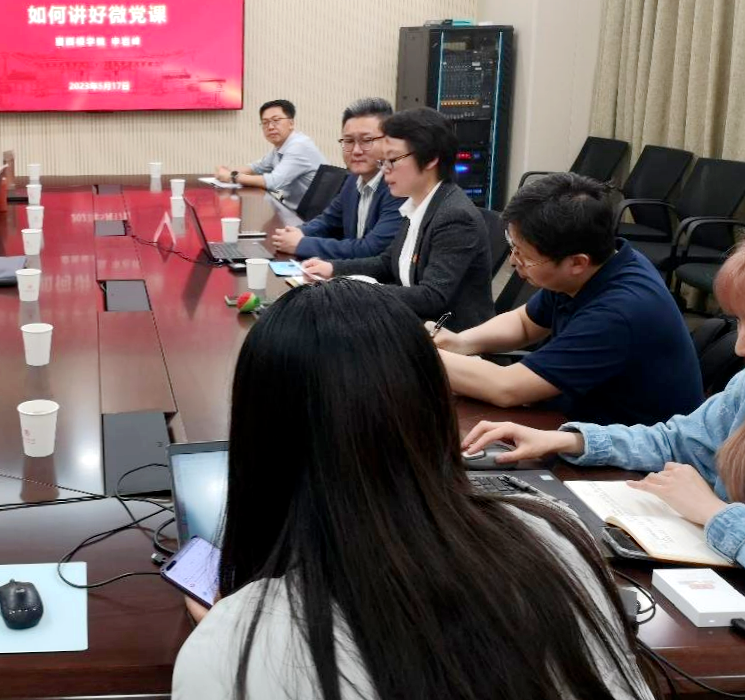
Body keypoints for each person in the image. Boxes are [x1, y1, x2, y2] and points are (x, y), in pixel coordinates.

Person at [172, 280, 652, 700]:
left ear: (256, 439)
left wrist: (234, 631)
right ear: (436, 410)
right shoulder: (556, 540)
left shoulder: (229, 650)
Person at [462, 243, 745, 567]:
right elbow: (674, 442)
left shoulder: (624, 308)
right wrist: (568, 440)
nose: (739, 347)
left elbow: (507, 387)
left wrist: (713, 512)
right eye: (738, 321)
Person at [432, 172, 702, 426]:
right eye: (512, 246)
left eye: (524, 255)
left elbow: (507, 388)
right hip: (577, 415)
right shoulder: (597, 264)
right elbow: (525, 323)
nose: (513, 261)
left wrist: (420, 353)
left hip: (626, 448)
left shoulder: (619, 312)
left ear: (576, 262)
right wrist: (460, 342)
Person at [302, 107, 493, 331]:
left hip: (447, 338)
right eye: (383, 161)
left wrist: (356, 292)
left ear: (430, 159)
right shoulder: (417, 203)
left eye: (392, 160)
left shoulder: (455, 216)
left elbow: (432, 297)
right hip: (409, 323)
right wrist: (332, 269)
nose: (385, 170)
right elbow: (387, 263)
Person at [270, 97, 403, 259]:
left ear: (389, 142)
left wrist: (301, 244)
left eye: (367, 140)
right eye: (349, 141)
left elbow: (372, 249)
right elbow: (328, 220)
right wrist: (299, 232)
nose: (356, 150)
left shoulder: (398, 186)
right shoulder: (353, 179)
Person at [214, 100, 324, 211]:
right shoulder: (281, 147)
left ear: (291, 123)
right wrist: (227, 171)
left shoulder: (299, 146)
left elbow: (273, 182)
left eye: (276, 120)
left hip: (308, 215)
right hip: (290, 208)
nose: (270, 127)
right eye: (265, 122)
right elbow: (256, 167)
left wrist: (232, 176)